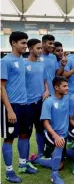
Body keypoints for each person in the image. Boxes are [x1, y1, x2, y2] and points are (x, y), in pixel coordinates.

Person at [1, 31, 37, 183]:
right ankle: (9, 172)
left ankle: (23, 164)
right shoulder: (5, 61)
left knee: (24, 135)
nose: (25, 46)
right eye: (23, 43)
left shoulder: (23, 61)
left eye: (26, 42)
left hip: (25, 105)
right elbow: (1, 87)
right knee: (9, 139)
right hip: (11, 106)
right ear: (13, 43)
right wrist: (9, 110)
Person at [30, 76, 70, 184]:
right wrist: (55, 136)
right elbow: (45, 123)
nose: (67, 88)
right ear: (56, 87)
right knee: (60, 144)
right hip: (51, 133)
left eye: (67, 86)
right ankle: (54, 176)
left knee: (61, 164)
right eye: (64, 86)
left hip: (64, 134)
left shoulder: (67, 98)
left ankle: (36, 160)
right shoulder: (48, 102)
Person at [25, 39, 50, 158]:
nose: (40, 50)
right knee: (26, 133)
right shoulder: (24, 64)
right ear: (30, 49)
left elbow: (45, 81)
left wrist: (47, 90)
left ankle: (41, 153)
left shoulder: (42, 64)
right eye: (38, 48)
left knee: (41, 129)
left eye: (41, 48)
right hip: (27, 103)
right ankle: (24, 159)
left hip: (41, 102)